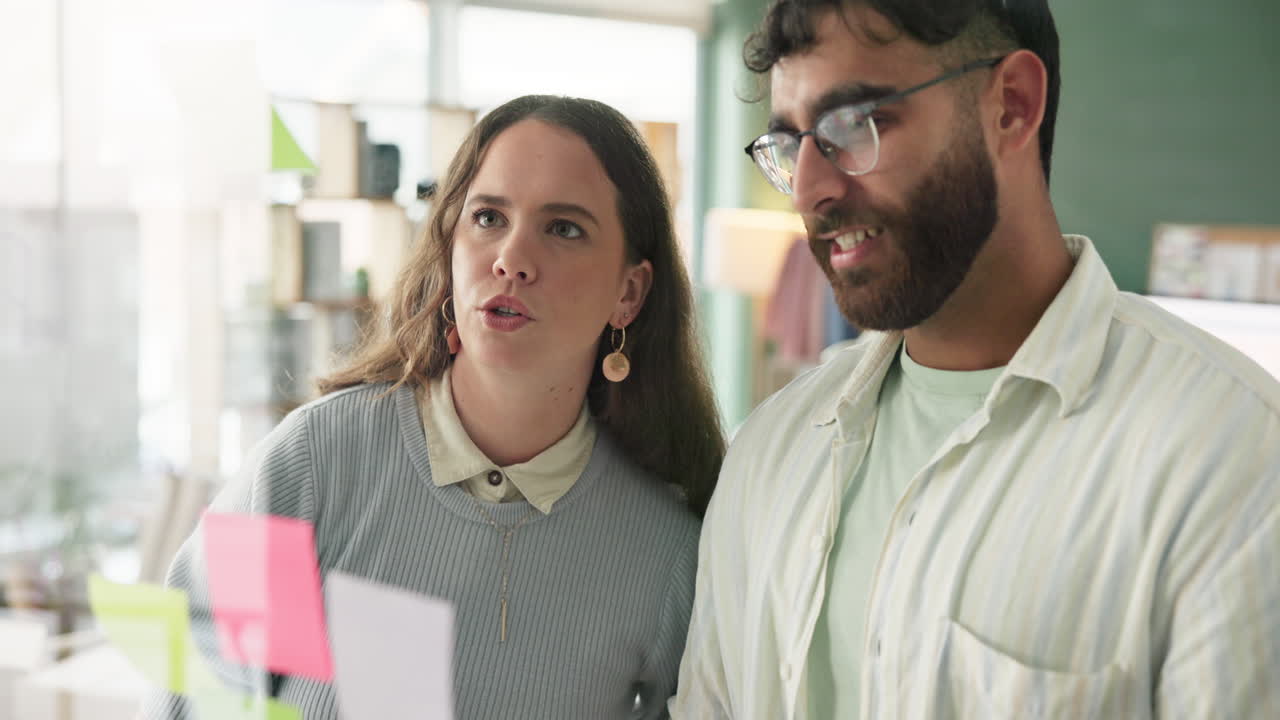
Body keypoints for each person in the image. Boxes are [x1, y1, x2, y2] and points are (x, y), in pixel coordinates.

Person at [671, 1, 1280, 718]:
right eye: (789, 145)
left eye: (854, 125)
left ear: (1012, 107)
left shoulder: (1234, 461)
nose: (810, 190)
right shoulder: (769, 452)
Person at [143, 94, 725, 719]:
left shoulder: (666, 555)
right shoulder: (317, 461)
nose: (511, 259)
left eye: (563, 228)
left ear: (629, 293)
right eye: (488, 218)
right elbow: (191, 687)